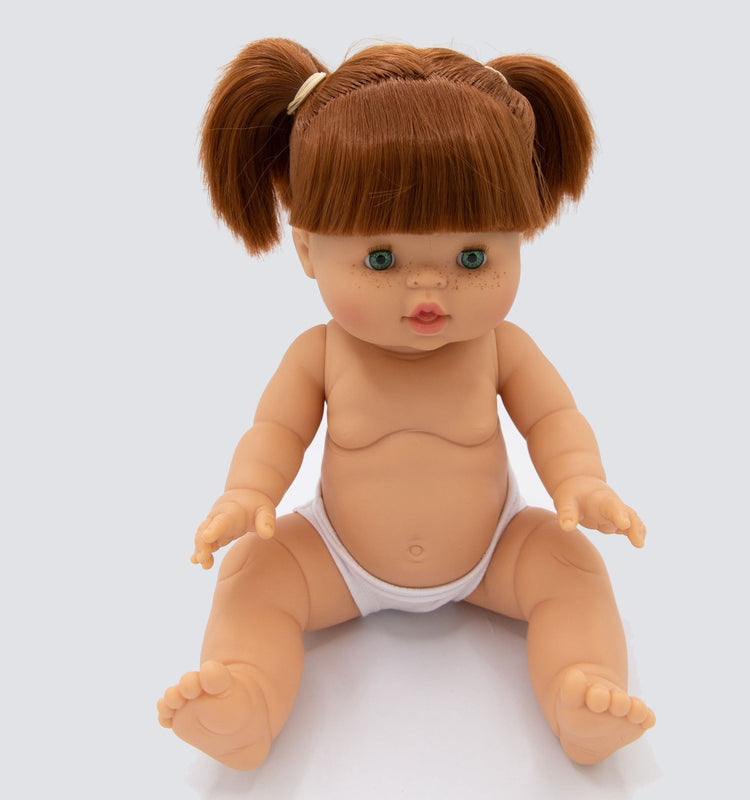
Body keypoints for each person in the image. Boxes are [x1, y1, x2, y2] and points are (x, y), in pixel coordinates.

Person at [157, 38, 655, 770]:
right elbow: (275, 431)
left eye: (472, 258)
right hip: (337, 556)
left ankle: (580, 690)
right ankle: (246, 699)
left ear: (519, 239)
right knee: (253, 573)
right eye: (382, 259)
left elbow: (554, 419)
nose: (430, 289)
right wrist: (246, 494)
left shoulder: (501, 347)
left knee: (572, 566)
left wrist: (580, 481)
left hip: (494, 551)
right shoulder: (320, 353)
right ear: (307, 249)